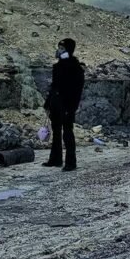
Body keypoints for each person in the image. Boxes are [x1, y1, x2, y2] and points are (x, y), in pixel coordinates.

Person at [43, 38, 85, 172]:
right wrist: (48, 103)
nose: (59, 51)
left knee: (67, 133)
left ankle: (71, 162)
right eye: (59, 48)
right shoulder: (57, 67)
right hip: (56, 104)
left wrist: (71, 107)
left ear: (69, 50)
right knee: (56, 132)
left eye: (62, 49)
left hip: (67, 105)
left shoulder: (75, 68)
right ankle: (55, 159)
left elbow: (77, 90)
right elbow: (54, 87)